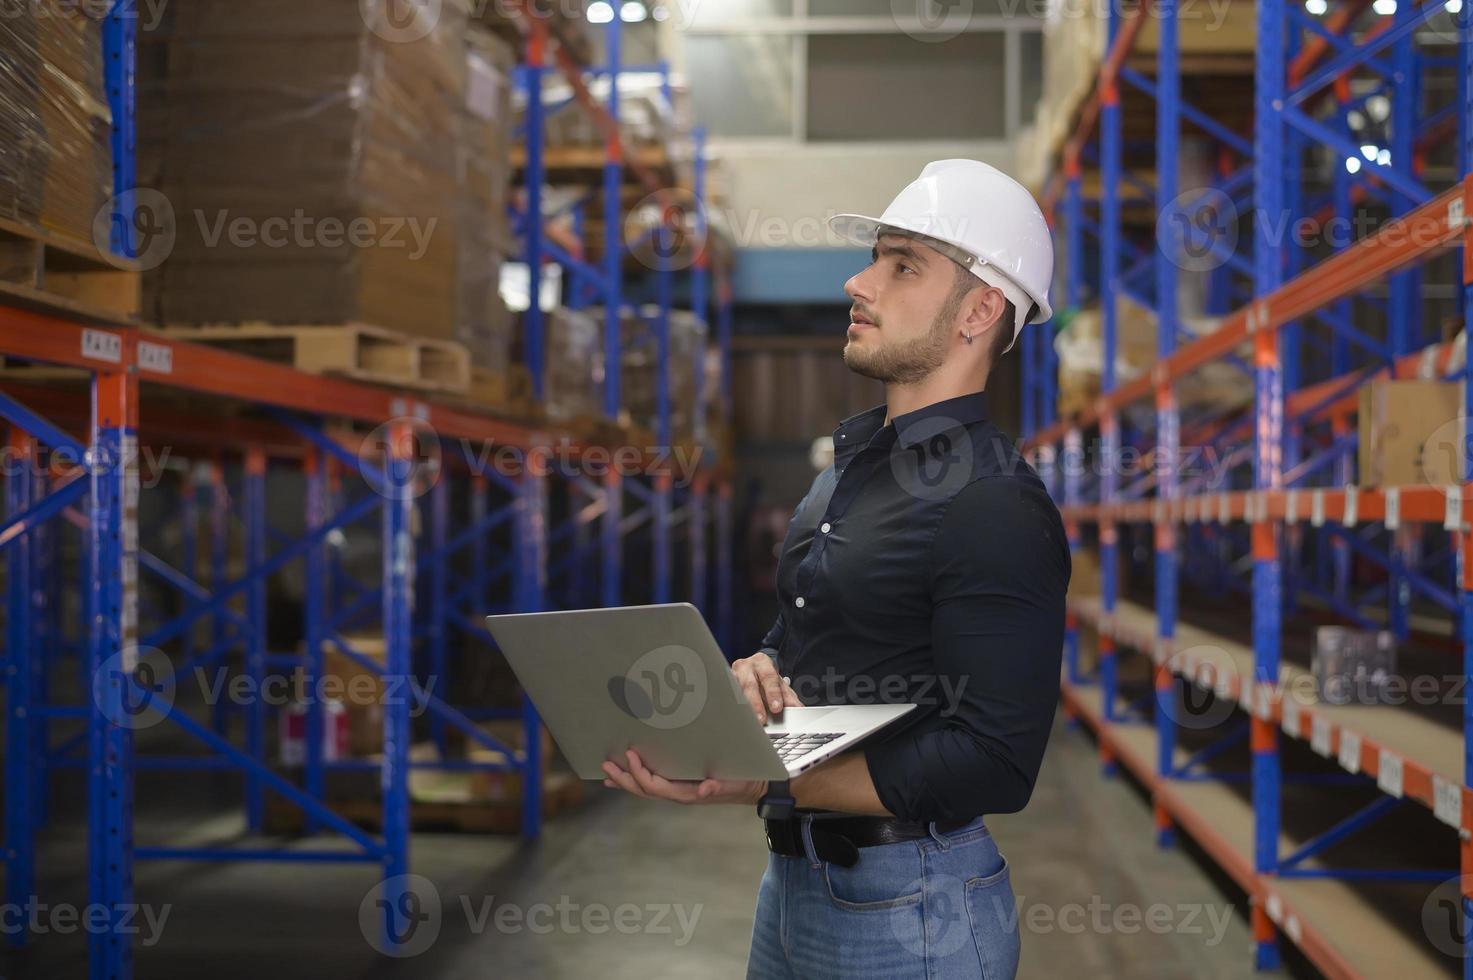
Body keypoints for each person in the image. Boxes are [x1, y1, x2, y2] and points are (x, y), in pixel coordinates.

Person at [599, 159, 1071, 979]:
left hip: (909, 909)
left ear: (979, 311)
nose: (858, 282)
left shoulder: (993, 502)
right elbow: (805, 638)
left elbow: (994, 759)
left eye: (901, 265)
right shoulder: (845, 473)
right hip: (793, 885)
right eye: (874, 258)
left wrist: (755, 782)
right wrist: (757, 672)